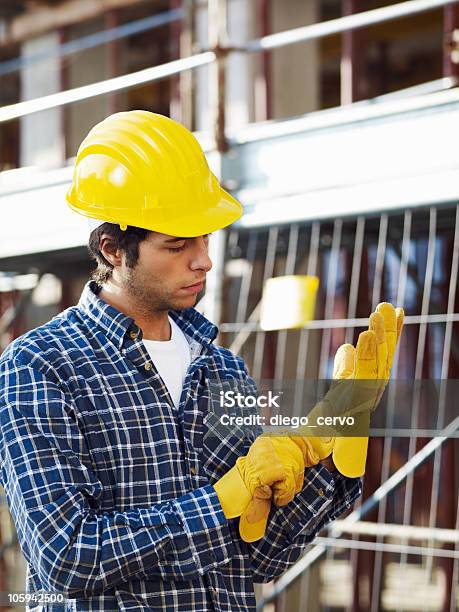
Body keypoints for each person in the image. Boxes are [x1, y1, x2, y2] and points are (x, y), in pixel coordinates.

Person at [0, 111, 381, 611]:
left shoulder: (222, 369)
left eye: (204, 239)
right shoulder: (41, 366)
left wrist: (335, 463)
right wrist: (221, 501)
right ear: (113, 249)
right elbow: (67, 558)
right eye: (177, 245)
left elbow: (259, 556)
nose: (203, 260)